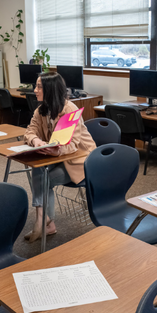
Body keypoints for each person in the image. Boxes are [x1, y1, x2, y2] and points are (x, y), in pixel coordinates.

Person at [23, 71, 97, 242]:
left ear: (50, 89)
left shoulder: (69, 110)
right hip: (58, 158)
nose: (35, 90)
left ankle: (44, 221)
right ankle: (46, 221)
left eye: (39, 87)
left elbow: (73, 145)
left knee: (43, 178)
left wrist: (56, 151)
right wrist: (36, 141)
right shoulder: (41, 110)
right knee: (37, 168)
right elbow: (29, 131)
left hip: (80, 161)